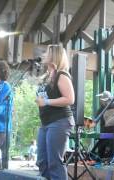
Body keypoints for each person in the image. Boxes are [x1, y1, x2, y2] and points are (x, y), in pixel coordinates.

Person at [35, 44, 75, 180]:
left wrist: (46, 102)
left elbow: (70, 99)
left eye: (48, 52)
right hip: (46, 122)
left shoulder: (62, 75)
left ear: (54, 56)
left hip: (60, 121)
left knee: (54, 162)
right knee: (42, 161)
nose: (45, 54)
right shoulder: (48, 76)